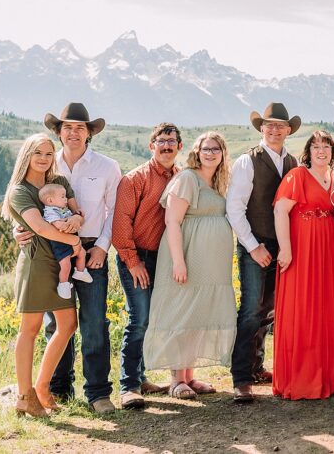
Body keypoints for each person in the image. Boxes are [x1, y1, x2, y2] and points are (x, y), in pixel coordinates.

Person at [15, 103, 122, 413]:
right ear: (59, 132)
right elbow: (27, 204)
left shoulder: (107, 167)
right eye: (67, 127)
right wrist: (16, 230)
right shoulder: (48, 166)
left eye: (80, 128)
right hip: (52, 251)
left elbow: (114, 211)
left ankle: (98, 393)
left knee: (93, 322)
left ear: (89, 133)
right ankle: (58, 390)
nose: (73, 133)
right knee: (57, 323)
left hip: (92, 250)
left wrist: (102, 247)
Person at [144, 131, 237, 399]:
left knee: (197, 316)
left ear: (223, 153)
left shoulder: (218, 182)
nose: (211, 153)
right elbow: (172, 221)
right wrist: (178, 261)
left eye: (216, 149)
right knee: (182, 315)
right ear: (197, 151)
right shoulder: (187, 178)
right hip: (186, 255)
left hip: (210, 264)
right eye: (206, 148)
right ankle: (176, 380)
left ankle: (190, 377)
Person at [226, 103, 301, 403]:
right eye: (269, 125)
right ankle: (241, 378)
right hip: (254, 245)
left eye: (280, 125)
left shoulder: (293, 162)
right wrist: (253, 246)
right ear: (262, 128)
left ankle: (256, 367)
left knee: (269, 310)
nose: (274, 130)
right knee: (249, 311)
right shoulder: (248, 161)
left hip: (281, 246)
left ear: (288, 130)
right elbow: (234, 208)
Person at [3, 133, 82, 417]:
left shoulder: (59, 182)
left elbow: (77, 212)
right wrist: (73, 241)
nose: (44, 159)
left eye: (49, 153)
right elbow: (39, 227)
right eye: (38, 153)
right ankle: (25, 396)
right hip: (37, 262)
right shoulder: (19, 191)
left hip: (61, 264)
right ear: (27, 155)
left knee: (68, 325)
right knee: (30, 329)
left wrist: (77, 219)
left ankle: (42, 388)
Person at [111, 122, 182, 409]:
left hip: (163, 258)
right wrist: (133, 262)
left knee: (152, 320)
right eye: (161, 141)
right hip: (136, 256)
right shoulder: (135, 179)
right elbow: (120, 225)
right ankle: (128, 387)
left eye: (171, 141)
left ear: (179, 146)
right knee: (138, 319)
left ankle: (141, 379)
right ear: (151, 146)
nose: (166, 146)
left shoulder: (181, 178)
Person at [272, 131, 334, 399]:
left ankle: (323, 374)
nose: (321, 151)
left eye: (326, 146)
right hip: (301, 249)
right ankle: (300, 378)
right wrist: (285, 249)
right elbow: (280, 210)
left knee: (323, 307)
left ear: (332, 151)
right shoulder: (298, 175)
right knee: (302, 307)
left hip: (326, 250)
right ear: (308, 151)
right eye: (316, 146)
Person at [39, 183, 93, 298]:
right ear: (50, 200)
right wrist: (64, 224)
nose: (66, 199)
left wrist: (77, 215)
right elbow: (56, 223)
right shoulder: (50, 211)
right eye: (62, 196)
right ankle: (63, 284)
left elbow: (72, 217)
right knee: (65, 265)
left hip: (71, 240)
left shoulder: (63, 209)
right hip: (60, 243)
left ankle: (80, 272)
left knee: (82, 253)